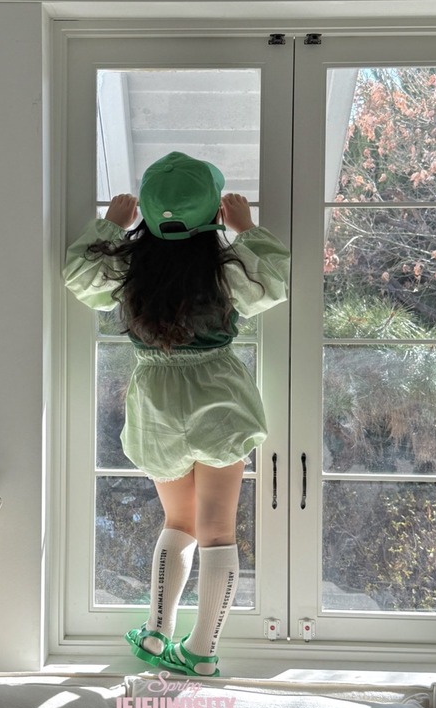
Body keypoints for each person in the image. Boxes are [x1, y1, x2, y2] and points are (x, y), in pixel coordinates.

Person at [63, 151, 290, 677]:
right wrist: (245, 228)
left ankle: (156, 631)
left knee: (179, 521)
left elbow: (79, 276)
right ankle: (202, 651)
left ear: (145, 211)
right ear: (215, 214)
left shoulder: (128, 266)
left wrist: (111, 224)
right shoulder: (225, 267)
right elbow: (275, 282)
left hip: (157, 400)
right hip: (218, 396)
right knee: (218, 530)